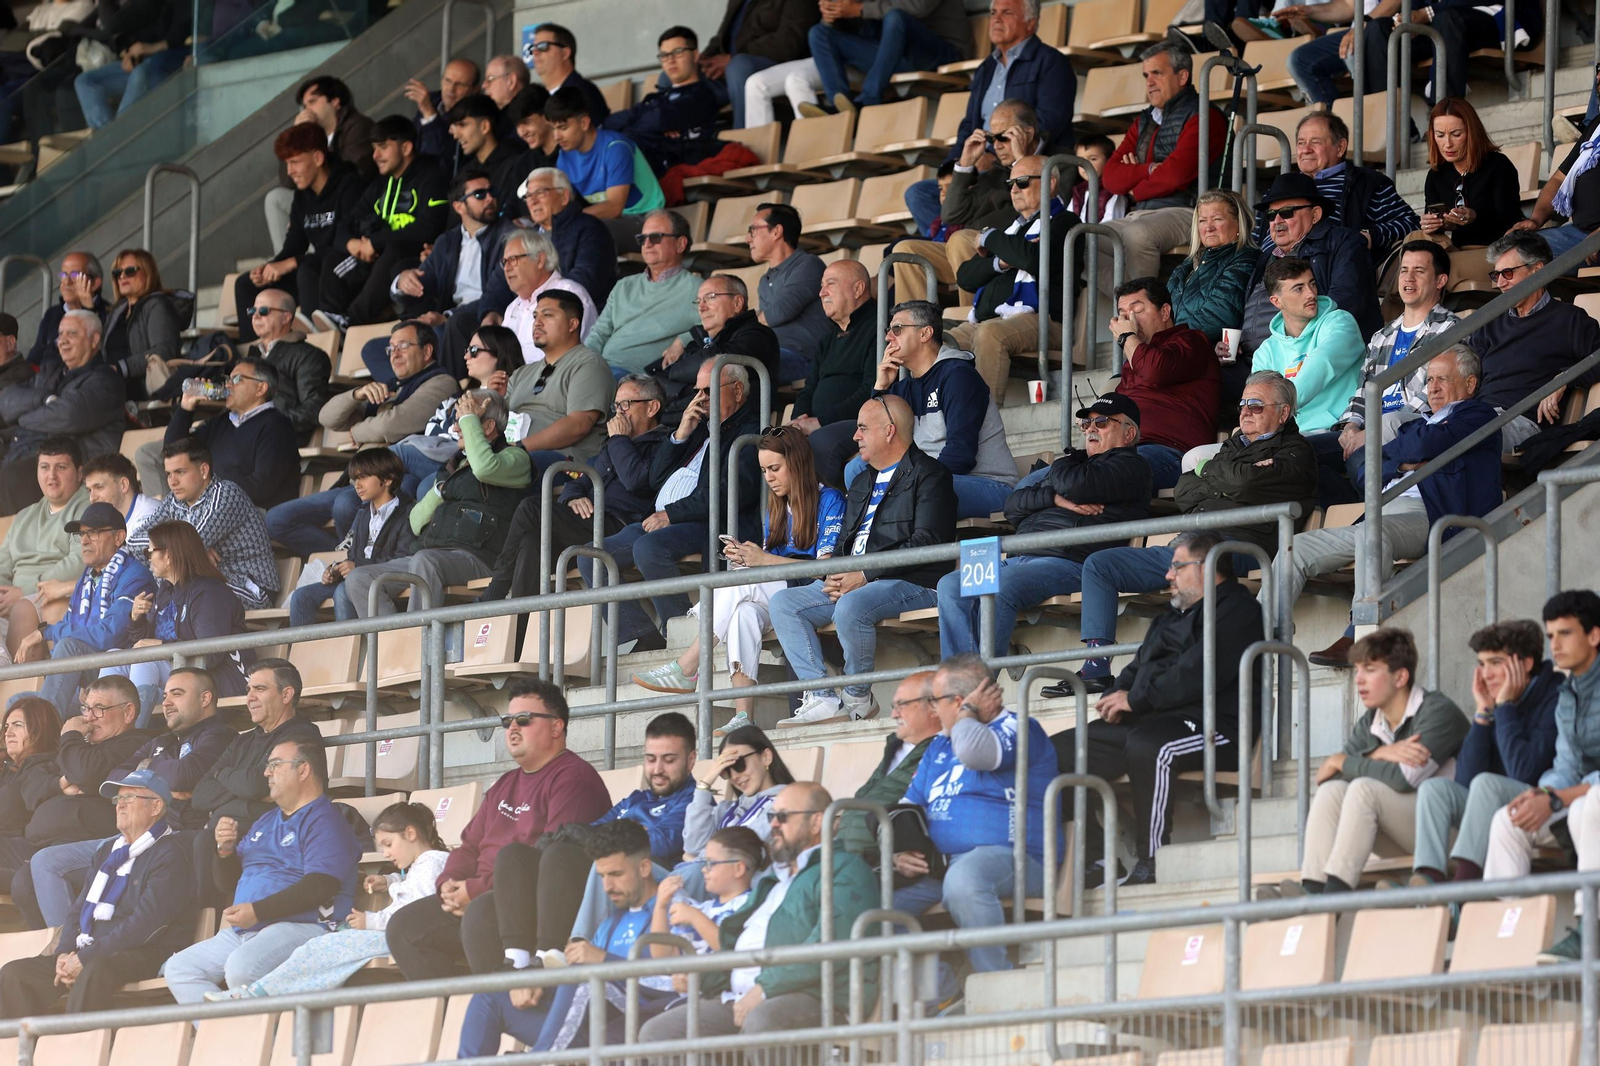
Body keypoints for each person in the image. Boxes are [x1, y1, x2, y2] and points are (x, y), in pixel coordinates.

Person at [1044, 371, 1317, 698]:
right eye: (1243, 404)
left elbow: (1244, 484)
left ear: (1283, 413)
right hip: (1189, 542)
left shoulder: (1297, 451)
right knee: (1100, 564)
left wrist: (1214, 475)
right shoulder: (1232, 447)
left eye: (1256, 406)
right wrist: (1223, 477)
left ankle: (1189, 670)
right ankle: (1096, 668)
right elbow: (1186, 489)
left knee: (1197, 565)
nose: (1244, 411)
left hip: (1239, 547)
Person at [1051, 530, 1266, 887]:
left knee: (1152, 747)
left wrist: (1135, 699)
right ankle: (1095, 860)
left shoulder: (1239, 610)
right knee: (1058, 751)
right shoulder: (1170, 615)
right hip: (1152, 717)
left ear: (1207, 567)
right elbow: (1137, 667)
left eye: (1177, 566)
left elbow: (1199, 672)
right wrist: (1119, 694)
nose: (1169, 575)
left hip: (1216, 726)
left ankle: (1152, 860)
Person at [386, 677, 609, 978]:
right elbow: (469, 847)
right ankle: (460, 1010)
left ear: (557, 727)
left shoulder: (574, 779)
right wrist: (450, 884)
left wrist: (474, 891)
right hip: (477, 897)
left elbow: (551, 861)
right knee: (404, 927)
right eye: (507, 721)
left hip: (530, 908)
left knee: (480, 915)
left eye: (524, 720)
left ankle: (505, 1008)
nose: (513, 728)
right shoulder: (506, 782)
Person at [632, 426, 846, 736]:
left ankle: (688, 667)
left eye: (775, 468)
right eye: (763, 470)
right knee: (743, 612)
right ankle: (744, 716)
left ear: (797, 463)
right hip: (781, 593)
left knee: (742, 584)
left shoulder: (830, 498)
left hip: (815, 592)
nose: (769, 477)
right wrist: (746, 559)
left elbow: (824, 570)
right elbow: (768, 567)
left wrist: (761, 562)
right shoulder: (775, 507)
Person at [637, 783, 878, 1052]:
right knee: (658, 1033)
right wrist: (701, 977)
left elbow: (829, 949)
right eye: (771, 817)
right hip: (741, 995)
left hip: (817, 995)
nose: (773, 824)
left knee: (762, 1022)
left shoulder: (844, 869)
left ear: (816, 822)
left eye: (783, 817)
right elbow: (736, 944)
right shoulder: (775, 878)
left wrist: (763, 990)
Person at [1285, 348, 1500, 641]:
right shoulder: (1417, 425)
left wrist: (1402, 455)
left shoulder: (1478, 415)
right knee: (1294, 550)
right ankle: (1257, 631)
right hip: (1380, 515)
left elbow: (1423, 446)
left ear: (1470, 384)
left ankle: (1361, 633)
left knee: (1373, 535)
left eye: (1443, 379)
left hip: (1430, 515)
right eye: (1430, 379)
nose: (1433, 388)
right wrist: (1403, 459)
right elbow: (1368, 468)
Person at [771, 394, 957, 726]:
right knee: (784, 603)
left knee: (851, 605)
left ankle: (857, 697)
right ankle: (823, 698)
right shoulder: (860, 481)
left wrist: (864, 575)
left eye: (861, 428)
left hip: (916, 582)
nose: (855, 436)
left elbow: (928, 543)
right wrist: (836, 575)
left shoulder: (931, 475)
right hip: (860, 582)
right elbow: (844, 544)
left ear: (888, 431)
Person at [16, 667, 235, 932]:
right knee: (44, 863)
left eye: (176, 694)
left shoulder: (220, 736)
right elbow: (116, 778)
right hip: (132, 839)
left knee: (40, 869)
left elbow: (182, 775)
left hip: (174, 840)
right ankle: (66, 946)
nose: (165, 702)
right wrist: (156, 772)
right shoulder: (163, 741)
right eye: (164, 695)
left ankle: (72, 948)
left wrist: (146, 769)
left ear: (205, 699)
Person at [936, 394, 1150, 658]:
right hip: (1021, 557)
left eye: (1102, 422)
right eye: (1087, 423)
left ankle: (978, 690)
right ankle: (960, 683)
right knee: (950, 585)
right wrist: (1054, 498)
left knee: (999, 587)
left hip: (1070, 562)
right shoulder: (1072, 468)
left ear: (1129, 434)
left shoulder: (1132, 466)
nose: (1091, 429)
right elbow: (1012, 506)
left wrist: (1064, 464)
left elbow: (1077, 486)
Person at [1268, 629, 1470, 898]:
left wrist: (1344, 761)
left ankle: (1332, 899)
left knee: (1363, 789)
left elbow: (1402, 779)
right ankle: (1312, 888)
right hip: (1406, 835)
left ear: (1400, 676)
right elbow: (1328, 779)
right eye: (1358, 669)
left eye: (1371, 670)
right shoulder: (1370, 722)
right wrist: (1377, 755)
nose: (1359, 680)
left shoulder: (1437, 711)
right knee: (1333, 793)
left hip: (1453, 838)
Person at [163, 736, 363, 1004]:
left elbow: (320, 886)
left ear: (303, 770)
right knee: (181, 968)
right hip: (249, 930)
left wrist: (257, 912)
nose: (266, 772)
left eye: (276, 764)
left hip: (304, 927)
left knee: (242, 968)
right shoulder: (266, 820)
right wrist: (225, 851)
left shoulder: (325, 820)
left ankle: (257, 1040)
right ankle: (226, 1037)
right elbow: (228, 882)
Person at [894, 655, 1057, 978]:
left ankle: (995, 984)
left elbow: (975, 752)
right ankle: (940, 988)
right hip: (942, 865)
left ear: (958, 701)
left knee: (965, 881)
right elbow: (907, 807)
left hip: (1021, 860)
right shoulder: (939, 746)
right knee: (871, 907)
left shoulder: (1019, 727)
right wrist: (900, 851)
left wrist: (968, 715)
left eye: (935, 700)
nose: (933, 709)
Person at [588, 359, 763, 652]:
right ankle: (643, 635)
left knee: (649, 548)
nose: (700, 399)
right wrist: (681, 432)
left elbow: (731, 494)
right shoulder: (698, 427)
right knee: (592, 557)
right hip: (667, 519)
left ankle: (684, 636)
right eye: (697, 392)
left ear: (736, 390)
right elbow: (655, 478)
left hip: (713, 523)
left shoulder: (750, 433)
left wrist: (672, 514)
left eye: (708, 391)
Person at [457, 820, 675, 1055]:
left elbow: (678, 987)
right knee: (490, 998)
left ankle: (539, 1059)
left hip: (639, 1026)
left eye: (616, 874)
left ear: (644, 868)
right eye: (602, 876)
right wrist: (542, 984)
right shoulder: (611, 922)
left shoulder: (673, 908)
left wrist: (603, 961)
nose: (608, 886)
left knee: (583, 981)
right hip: (586, 1028)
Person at [0, 766, 195, 1016]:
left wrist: (86, 957)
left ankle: (79, 1046)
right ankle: (21, 1049)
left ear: (155, 807)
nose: (119, 805)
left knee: (94, 970)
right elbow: (78, 911)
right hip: (95, 950)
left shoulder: (171, 853)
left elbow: (146, 924)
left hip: (147, 951)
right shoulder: (107, 851)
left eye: (129, 798)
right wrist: (65, 953)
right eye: (118, 798)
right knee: (16, 974)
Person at [207, 801, 450, 1000]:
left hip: (401, 935)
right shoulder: (425, 864)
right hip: (394, 933)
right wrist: (388, 881)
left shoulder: (431, 865)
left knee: (322, 948)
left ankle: (260, 993)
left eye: (389, 844)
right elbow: (414, 882)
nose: (386, 853)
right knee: (319, 949)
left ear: (410, 833)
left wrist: (371, 920)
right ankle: (259, 992)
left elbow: (415, 910)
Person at [264, 321, 458, 556]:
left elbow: (391, 425)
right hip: (356, 481)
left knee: (344, 504)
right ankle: (343, 556)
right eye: (390, 348)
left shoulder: (441, 382)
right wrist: (356, 394)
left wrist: (356, 430)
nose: (394, 354)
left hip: (392, 482)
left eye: (403, 346)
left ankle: (359, 560)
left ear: (427, 351)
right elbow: (327, 417)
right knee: (275, 520)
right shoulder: (391, 390)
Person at [483, 374, 673, 604]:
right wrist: (573, 497)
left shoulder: (663, 445)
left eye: (626, 405)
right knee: (531, 542)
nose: (619, 412)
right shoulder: (616, 442)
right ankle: (521, 632)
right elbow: (580, 481)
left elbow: (636, 481)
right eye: (616, 406)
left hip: (621, 527)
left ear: (652, 407)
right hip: (589, 521)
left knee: (532, 507)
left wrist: (619, 440)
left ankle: (496, 589)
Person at [1398, 619, 1559, 890]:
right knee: (1435, 789)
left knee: (1486, 783)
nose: (1486, 674)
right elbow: (1465, 782)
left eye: (1496, 663)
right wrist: (1484, 713)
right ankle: (1429, 884)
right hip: (1493, 805)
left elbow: (1524, 771)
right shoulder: (1496, 701)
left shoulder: (1554, 695)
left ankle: (1463, 892)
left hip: (1540, 803)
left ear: (1526, 664)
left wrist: (1505, 707)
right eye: (1482, 664)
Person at [1483, 590, 1600, 962]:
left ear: (1594, 636)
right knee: (1509, 819)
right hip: (1582, 799)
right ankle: (1504, 938)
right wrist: (1543, 793)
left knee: (1587, 806)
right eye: (1551, 636)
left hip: (1592, 803)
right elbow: (1566, 764)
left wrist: (1560, 798)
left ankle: (1589, 930)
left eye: (1565, 633)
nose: (1556, 645)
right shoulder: (1569, 694)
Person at [345, 389, 530, 616]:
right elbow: (415, 521)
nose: (454, 429)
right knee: (361, 579)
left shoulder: (516, 458)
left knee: (425, 561)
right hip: (432, 555)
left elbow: (484, 468)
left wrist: (470, 421)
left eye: (463, 421)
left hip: (480, 558)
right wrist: (441, 490)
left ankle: (419, 643)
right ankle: (392, 646)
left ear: (489, 427)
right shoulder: (455, 465)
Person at [1310, 240, 1459, 505]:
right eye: (1403, 270)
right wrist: (1352, 425)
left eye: (1419, 271)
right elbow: (1362, 392)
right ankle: (1349, 513)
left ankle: (1370, 526)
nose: (1408, 278)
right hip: (1368, 428)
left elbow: (1435, 395)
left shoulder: (1450, 329)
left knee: (1362, 461)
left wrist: (1372, 433)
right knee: (1300, 455)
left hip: (1411, 430)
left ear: (1440, 280)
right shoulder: (1381, 336)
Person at [856, 300, 1017, 518]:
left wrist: (907, 481)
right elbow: (877, 445)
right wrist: (880, 388)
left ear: (925, 333)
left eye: (897, 329)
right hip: (928, 481)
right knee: (855, 471)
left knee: (904, 492)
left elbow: (961, 455)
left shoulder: (958, 376)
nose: (888, 338)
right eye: (888, 331)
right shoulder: (901, 390)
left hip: (986, 484)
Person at [1098, 42, 1227, 311]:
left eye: (1157, 73)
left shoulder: (1206, 115)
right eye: (1146, 75)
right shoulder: (1144, 119)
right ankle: (1134, 308)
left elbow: (1175, 176)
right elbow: (1110, 177)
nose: (1150, 82)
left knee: (1137, 234)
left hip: (1187, 210)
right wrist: (1145, 169)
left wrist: (1134, 189)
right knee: (1083, 237)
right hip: (1140, 213)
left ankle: (1145, 323)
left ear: (1182, 76)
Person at [895, 98, 1046, 310]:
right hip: (972, 253)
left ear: (1027, 133)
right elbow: (951, 215)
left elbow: (1045, 208)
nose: (996, 145)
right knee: (906, 250)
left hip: (1017, 249)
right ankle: (913, 327)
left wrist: (1022, 162)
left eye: (1004, 137)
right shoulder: (993, 173)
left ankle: (970, 321)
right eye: (992, 138)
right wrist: (965, 163)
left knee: (962, 239)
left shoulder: (1056, 162)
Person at [949, 153, 1077, 401]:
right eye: (1011, 184)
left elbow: (1032, 259)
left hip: (1045, 320)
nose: (1014, 190)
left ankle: (985, 425)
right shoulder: (1013, 229)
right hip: (989, 320)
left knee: (991, 335)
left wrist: (990, 238)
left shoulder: (1065, 222)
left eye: (1023, 181)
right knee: (937, 342)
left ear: (1050, 183)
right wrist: (1001, 261)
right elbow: (965, 276)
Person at [1465, 232, 1600, 452]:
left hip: (1521, 422)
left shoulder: (1570, 319)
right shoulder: (1490, 322)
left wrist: (1564, 378)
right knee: (1394, 424)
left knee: (1459, 433)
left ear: (1537, 271)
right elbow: (1467, 373)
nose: (1500, 283)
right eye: (1496, 275)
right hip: (1477, 414)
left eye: (1507, 273)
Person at [18, 503, 154, 720]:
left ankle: (43, 739)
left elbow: (107, 636)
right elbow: (72, 625)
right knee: (19, 705)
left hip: (118, 678)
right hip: (88, 680)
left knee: (68, 647)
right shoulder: (88, 577)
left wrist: (47, 632)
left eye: (94, 533)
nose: (84, 540)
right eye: (81, 534)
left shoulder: (134, 575)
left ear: (119, 538)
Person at [149, 286, 331, 447]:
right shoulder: (252, 355)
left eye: (264, 311)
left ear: (286, 317)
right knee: (154, 452)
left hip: (271, 440)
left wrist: (266, 424)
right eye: (252, 311)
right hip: (235, 433)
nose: (256, 316)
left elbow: (314, 407)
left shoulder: (309, 356)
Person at [315, 115, 450, 331]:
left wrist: (375, 242)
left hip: (416, 258)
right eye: (374, 148)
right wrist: (353, 244)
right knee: (333, 256)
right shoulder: (381, 184)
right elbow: (345, 223)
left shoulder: (431, 176)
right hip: (378, 257)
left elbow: (428, 228)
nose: (375, 155)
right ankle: (333, 318)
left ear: (406, 148)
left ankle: (352, 322)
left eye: (383, 147)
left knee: (394, 250)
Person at [235, 124, 365, 343]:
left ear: (317, 158)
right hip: (312, 268)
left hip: (343, 273)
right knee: (245, 284)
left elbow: (344, 246)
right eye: (287, 163)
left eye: (295, 162)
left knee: (306, 269)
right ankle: (254, 351)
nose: (289, 171)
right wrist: (269, 268)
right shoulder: (302, 197)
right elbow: (293, 246)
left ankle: (315, 345)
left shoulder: (350, 186)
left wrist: (292, 262)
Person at [116, 520, 253, 720]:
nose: (148, 559)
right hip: (178, 674)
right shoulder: (165, 591)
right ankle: (112, 736)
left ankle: (131, 736)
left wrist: (162, 646)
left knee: (146, 662)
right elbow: (147, 642)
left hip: (219, 680)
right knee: (114, 658)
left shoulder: (209, 593)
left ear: (169, 555)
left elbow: (210, 654)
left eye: (150, 552)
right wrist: (136, 620)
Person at [1240, 173, 1382, 359]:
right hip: (1253, 358)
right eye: (1271, 215)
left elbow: (1345, 305)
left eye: (1287, 212)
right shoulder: (1266, 256)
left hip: (1308, 355)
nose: (1277, 221)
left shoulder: (1344, 243)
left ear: (1315, 215)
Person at [387, 167, 511, 380]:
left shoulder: (508, 236)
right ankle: (411, 394)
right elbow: (424, 282)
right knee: (380, 345)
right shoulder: (447, 241)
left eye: (492, 192)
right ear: (458, 206)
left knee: (454, 325)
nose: (490, 198)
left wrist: (446, 316)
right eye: (480, 194)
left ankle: (446, 397)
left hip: (485, 317)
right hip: (448, 321)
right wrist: (402, 282)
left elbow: (498, 292)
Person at [125, 439, 279, 611]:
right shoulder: (174, 501)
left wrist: (185, 549)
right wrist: (193, 550)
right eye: (168, 474)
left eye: (180, 472)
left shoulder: (226, 494)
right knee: (168, 570)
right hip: (209, 581)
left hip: (249, 588)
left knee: (177, 580)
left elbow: (185, 550)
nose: (172, 481)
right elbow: (133, 542)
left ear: (204, 470)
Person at [0, 309, 124, 515]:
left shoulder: (105, 381)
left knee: (10, 478)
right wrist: (46, 400)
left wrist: (22, 417)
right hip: (36, 453)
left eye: (72, 334)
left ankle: (11, 544)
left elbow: (67, 416)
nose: (63, 341)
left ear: (94, 339)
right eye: (60, 335)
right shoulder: (51, 371)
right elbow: (6, 401)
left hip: (76, 463)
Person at [1249, 113, 1418, 263]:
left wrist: (1369, 235)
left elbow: (1411, 223)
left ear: (1340, 147)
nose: (1306, 150)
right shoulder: (1279, 188)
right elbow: (1254, 241)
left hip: (1325, 272)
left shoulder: (1366, 183)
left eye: (1315, 142)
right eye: (1301, 143)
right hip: (1268, 271)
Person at [1108, 278, 1220, 487]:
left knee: (1104, 478)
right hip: (1123, 450)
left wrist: (1127, 337)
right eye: (1123, 315)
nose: (1129, 321)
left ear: (1165, 312)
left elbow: (1154, 371)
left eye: (1137, 311)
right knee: (1038, 482)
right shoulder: (1130, 362)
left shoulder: (1192, 341)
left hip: (1170, 452)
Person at [289, 449, 418, 627]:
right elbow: (353, 556)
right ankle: (302, 654)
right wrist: (335, 571)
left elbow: (403, 560)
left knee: (343, 591)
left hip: (383, 581)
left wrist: (358, 567)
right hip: (356, 578)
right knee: (301, 597)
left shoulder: (408, 512)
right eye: (355, 479)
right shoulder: (363, 513)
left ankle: (351, 650)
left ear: (387, 479)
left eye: (364, 477)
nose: (357, 485)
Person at [157, 356, 299, 509]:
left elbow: (262, 487)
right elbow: (173, 451)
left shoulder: (277, 426)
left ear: (261, 388)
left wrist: (208, 493)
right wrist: (186, 407)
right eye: (228, 379)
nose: (228, 385)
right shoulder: (220, 423)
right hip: (213, 508)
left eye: (237, 379)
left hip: (253, 513)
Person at [1250, 257, 1368, 435]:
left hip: (1336, 429)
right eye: (1299, 288)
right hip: (1286, 434)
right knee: (1196, 456)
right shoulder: (1265, 352)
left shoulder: (1341, 322)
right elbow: (1257, 400)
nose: (1311, 294)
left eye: (1311, 284)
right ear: (1276, 302)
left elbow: (1322, 363)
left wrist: (1277, 410)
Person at [505, 289, 616, 469]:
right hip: (516, 456)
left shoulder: (589, 364)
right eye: (535, 316)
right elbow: (499, 418)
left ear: (573, 324)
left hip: (564, 462)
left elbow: (578, 425)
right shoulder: (521, 373)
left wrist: (520, 448)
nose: (537, 323)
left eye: (547, 315)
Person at [584, 209, 702, 377]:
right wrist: (581, 365)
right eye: (642, 238)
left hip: (636, 379)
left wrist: (683, 341)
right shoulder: (624, 285)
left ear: (680, 244)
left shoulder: (698, 289)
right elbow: (599, 334)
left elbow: (715, 331)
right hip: (600, 370)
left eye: (655, 237)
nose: (647, 244)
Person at [0, 441, 89, 661]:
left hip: (55, 596)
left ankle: (17, 686)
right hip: (11, 600)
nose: (52, 476)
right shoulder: (24, 516)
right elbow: (3, 564)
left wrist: (23, 591)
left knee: (22, 607)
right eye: (44, 467)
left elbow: (78, 562)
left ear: (79, 473)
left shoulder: (88, 507)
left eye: (61, 467)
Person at [835, 671, 940, 858]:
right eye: (894, 706)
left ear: (934, 706)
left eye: (902, 705)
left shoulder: (946, 751)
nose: (893, 714)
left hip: (881, 865)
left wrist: (892, 859)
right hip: (847, 855)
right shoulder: (895, 746)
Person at [788, 260, 878, 478]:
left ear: (858, 289)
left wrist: (819, 423)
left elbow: (871, 390)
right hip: (819, 424)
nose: (821, 293)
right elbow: (809, 388)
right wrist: (798, 422)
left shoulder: (879, 325)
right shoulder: (827, 339)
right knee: (776, 441)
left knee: (821, 442)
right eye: (821, 285)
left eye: (831, 284)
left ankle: (831, 512)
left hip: (861, 423)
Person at [546, 85, 666, 245]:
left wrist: (568, 219)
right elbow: (564, 203)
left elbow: (614, 207)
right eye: (553, 128)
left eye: (562, 127)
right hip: (609, 220)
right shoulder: (565, 156)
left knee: (587, 234)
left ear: (584, 123)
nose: (556, 136)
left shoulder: (616, 147)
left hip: (646, 219)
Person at [651, 274, 779, 420]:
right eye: (698, 301)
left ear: (737, 303)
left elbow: (717, 363)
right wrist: (688, 389)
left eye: (710, 297)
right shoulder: (700, 341)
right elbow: (658, 381)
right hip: (689, 428)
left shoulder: (758, 335)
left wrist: (680, 387)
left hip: (733, 433)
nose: (701, 307)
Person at [603, 27, 722, 176]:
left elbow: (660, 119)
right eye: (664, 55)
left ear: (695, 55)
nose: (671, 60)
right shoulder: (657, 99)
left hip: (672, 162)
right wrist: (653, 126)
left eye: (678, 52)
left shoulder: (702, 96)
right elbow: (610, 122)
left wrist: (646, 122)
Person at [1421, 98, 1525, 257]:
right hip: (1455, 251)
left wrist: (1475, 216)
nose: (1447, 144)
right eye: (1440, 135)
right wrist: (1435, 224)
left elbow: (1511, 222)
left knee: (1436, 272)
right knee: (1416, 241)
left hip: (1495, 253)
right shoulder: (1436, 174)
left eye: (1456, 134)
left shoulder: (1498, 165)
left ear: (1471, 133)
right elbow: (1435, 222)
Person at [698, 0, 820, 129]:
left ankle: (742, 142)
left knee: (739, 67)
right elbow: (721, 37)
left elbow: (789, 43)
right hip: (727, 72)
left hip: (771, 65)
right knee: (683, 72)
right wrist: (705, 58)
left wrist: (731, 59)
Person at [748, 202, 830, 383]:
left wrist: (742, 323)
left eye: (753, 230)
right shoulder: (765, 280)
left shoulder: (808, 264)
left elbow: (779, 312)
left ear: (776, 231)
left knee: (741, 369)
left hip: (804, 359)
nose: (748, 239)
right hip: (775, 355)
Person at [1166, 188, 1257, 345]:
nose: (1208, 227)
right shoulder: (1185, 267)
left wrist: (1168, 345)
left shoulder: (1246, 260)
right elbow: (1161, 312)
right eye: (1202, 221)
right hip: (1176, 352)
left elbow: (1218, 316)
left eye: (1217, 219)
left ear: (1239, 223)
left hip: (1201, 356)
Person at [498, 227, 600, 366]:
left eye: (513, 259)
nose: (507, 268)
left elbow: (569, 359)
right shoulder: (512, 308)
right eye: (504, 262)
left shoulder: (570, 294)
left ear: (540, 260)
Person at [517, 167, 618, 307]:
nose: (532, 201)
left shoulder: (590, 229)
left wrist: (538, 304)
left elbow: (584, 281)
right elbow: (503, 282)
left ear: (564, 196)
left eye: (540, 193)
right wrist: (492, 310)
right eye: (528, 196)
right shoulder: (525, 239)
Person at [99, 247, 184, 387]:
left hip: (142, 387)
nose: (122, 276)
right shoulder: (117, 311)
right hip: (112, 386)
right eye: (117, 273)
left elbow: (162, 352)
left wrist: (121, 368)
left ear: (148, 273)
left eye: (130, 271)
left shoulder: (157, 306)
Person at [0, 698, 64, 881]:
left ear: (40, 728)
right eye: (6, 726)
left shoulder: (45, 767)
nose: (8, 733)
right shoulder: (12, 769)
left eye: (17, 725)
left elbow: (6, 815)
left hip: (27, 857)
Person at [447, 93, 531, 212]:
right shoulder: (464, 173)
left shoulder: (518, 164)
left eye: (463, 125)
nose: (456, 135)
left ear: (485, 126)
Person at [27, 251, 107, 371]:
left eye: (75, 275)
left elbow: (95, 357)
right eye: (63, 275)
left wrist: (88, 309)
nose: (67, 281)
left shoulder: (108, 314)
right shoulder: (52, 314)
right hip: (44, 383)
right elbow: (35, 357)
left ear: (95, 283)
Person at [525, 25, 609, 123]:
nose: (535, 52)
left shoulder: (583, 93)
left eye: (542, 46)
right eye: (532, 48)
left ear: (565, 53)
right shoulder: (538, 99)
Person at [406, 57, 482, 160]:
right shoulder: (430, 101)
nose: (451, 89)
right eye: (447, 81)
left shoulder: (475, 115)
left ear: (475, 89)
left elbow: (440, 157)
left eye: (459, 84)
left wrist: (430, 115)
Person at [81, 453, 158, 536]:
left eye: (99, 487)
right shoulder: (105, 522)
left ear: (123, 485)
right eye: (89, 490)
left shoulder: (150, 516)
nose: (92, 498)